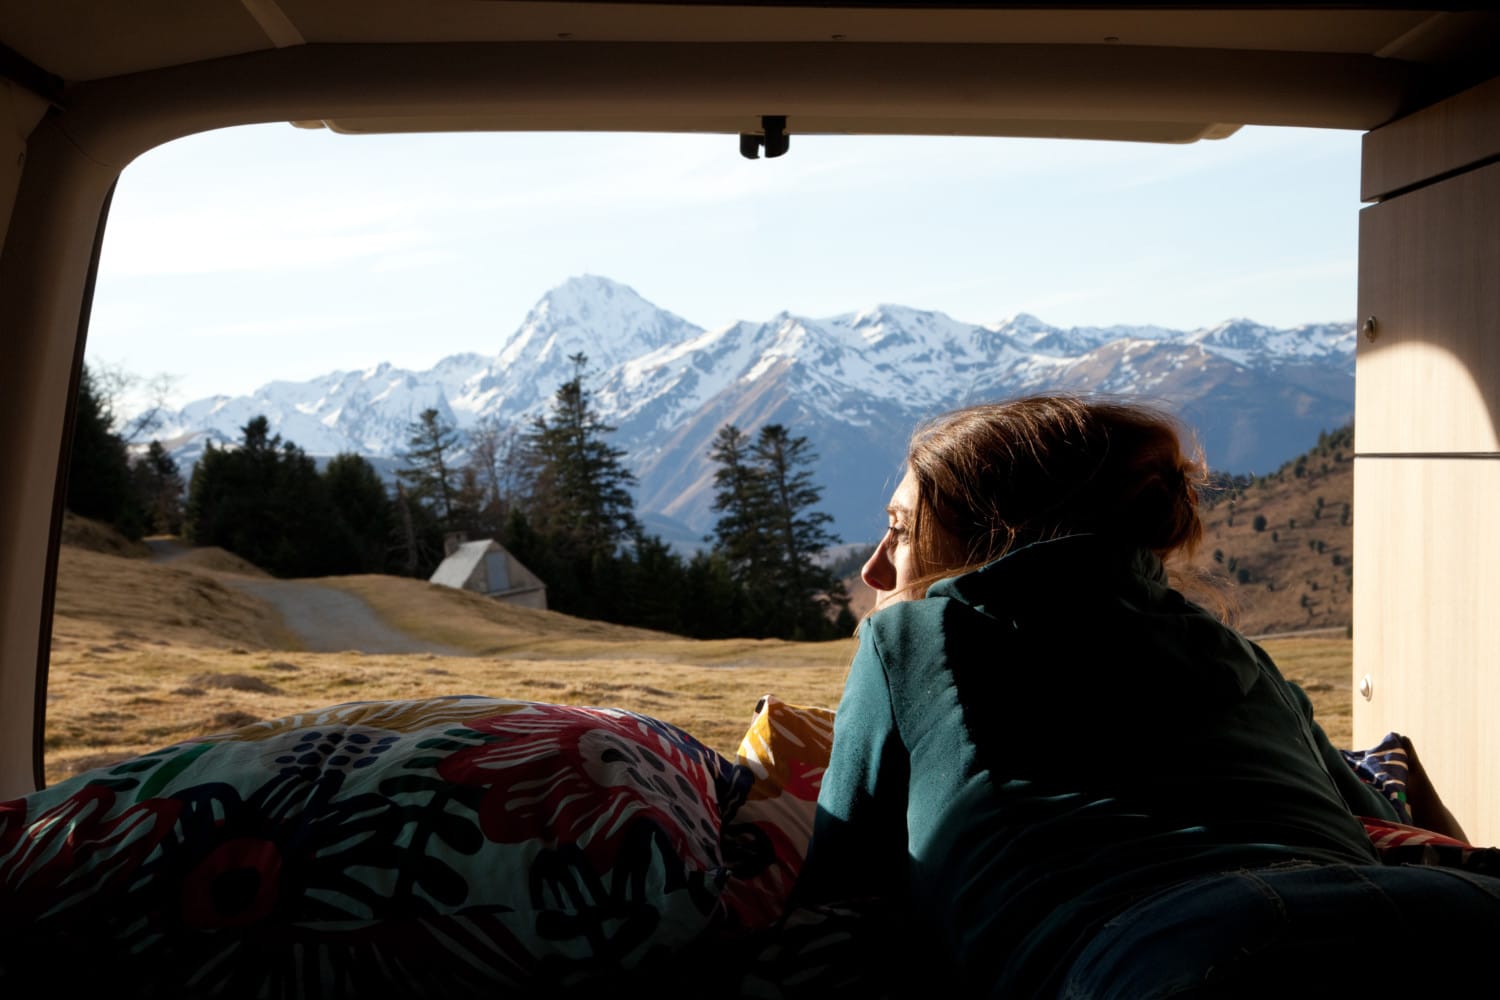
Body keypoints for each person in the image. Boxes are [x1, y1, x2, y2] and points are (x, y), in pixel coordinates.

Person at [795, 393, 1500, 998]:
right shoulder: (1237, 654)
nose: (875, 568)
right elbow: (1379, 823)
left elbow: (837, 882)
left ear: (974, 536)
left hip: (1166, 957)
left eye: (899, 531)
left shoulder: (917, 636)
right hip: (1453, 913)